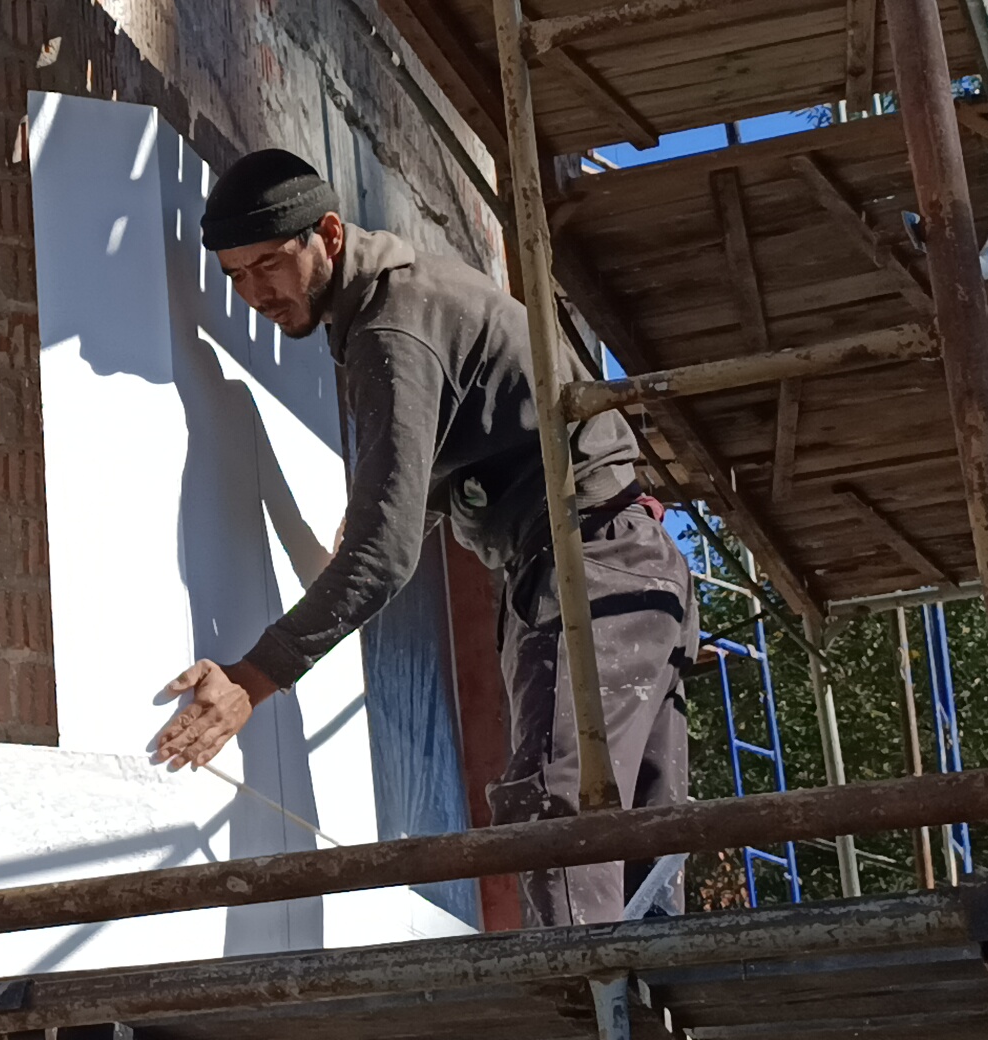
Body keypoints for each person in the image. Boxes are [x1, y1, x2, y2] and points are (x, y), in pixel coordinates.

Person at [144, 148, 696, 925]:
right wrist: (387, 518)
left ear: (328, 235)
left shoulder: (392, 326)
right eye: (235, 276)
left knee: (557, 815)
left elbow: (384, 557)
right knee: (642, 841)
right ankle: (643, 997)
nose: (254, 293)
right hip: (624, 565)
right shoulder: (414, 296)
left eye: (268, 264)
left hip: (588, 571)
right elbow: (473, 451)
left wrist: (252, 678)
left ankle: (591, 1001)